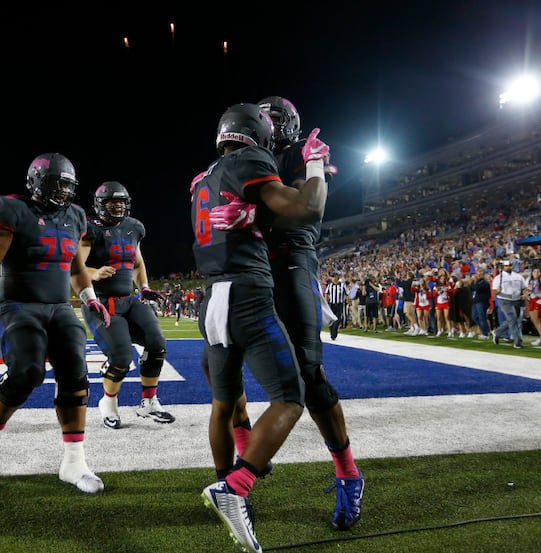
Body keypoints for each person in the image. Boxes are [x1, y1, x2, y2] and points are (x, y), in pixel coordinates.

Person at [192, 103, 350, 553]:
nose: (274, 126)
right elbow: (303, 206)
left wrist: (252, 215)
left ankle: (346, 474)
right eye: (266, 120)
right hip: (250, 284)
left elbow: (301, 216)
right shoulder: (253, 159)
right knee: (285, 393)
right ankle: (235, 485)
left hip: (258, 278)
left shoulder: (213, 172)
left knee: (301, 379)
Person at [0, 152, 110, 494]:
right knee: (27, 373)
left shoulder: (76, 216)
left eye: (68, 186)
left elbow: (76, 268)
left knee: (76, 372)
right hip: (19, 306)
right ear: (36, 182)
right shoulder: (13, 210)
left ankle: (74, 462)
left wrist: (89, 297)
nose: (63, 193)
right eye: (57, 185)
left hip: (59, 307)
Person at [78, 180, 175, 430]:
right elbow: (75, 267)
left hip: (129, 300)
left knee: (157, 345)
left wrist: (143, 287)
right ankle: (108, 403)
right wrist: (95, 273)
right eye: (113, 202)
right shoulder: (91, 229)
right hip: (101, 303)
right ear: (101, 205)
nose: (118, 207)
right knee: (121, 357)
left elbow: (138, 262)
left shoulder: (134, 227)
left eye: (122, 202)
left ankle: (149, 403)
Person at [492, 259, 527, 349]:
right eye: (506, 266)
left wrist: (525, 294)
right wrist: (497, 291)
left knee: (513, 320)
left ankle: (497, 332)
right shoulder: (498, 278)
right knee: (512, 318)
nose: (508, 267)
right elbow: (494, 291)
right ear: (503, 267)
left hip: (517, 300)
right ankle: (517, 341)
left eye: (510, 265)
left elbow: (524, 287)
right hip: (504, 299)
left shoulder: (518, 276)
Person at [525, 266, 541, 347]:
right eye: (534, 272)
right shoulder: (529, 279)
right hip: (532, 299)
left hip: (540, 300)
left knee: (538, 320)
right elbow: (527, 289)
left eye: (538, 272)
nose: (536, 273)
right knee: (535, 320)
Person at [324, 273, 347, 340]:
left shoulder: (342, 285)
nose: (333, 278)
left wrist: (348, 301)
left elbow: (346, 294)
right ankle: (332, 333)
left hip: (339, 304)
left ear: (337, 277)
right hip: (332, 304)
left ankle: (334, 333)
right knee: (331, 319)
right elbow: (326, 294)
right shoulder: (330, 285)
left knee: (338, 319)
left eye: (334, 277)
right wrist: (326, 302)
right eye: (332, 277)